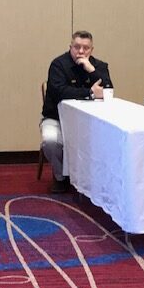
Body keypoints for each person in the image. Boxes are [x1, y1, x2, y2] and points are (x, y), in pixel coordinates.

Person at [41, 30, 113, 193]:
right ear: (70, 47)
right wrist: (90, 93)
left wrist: (91, 70)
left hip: (90, 122)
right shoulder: (58, 65)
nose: (81, 51)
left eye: (85, 48)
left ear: (91, 50)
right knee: (50, 141)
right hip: (56, 118)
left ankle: (96, 179)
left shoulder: (100, 66)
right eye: (77, 47)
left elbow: (108, 91)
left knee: (110, 139)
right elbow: (60, 92)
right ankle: (61, 176)